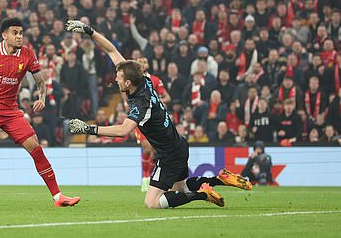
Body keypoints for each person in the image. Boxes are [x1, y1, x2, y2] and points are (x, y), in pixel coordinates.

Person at [65, 20, 252, 209]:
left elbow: (123, 130)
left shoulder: (140, 103)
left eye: (119, 77)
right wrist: (90, 31)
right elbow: (112, 51)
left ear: (128, 82)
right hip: (178, 145)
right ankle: (220, 179)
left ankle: (202, 194)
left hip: (169, 155)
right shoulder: (143, 80)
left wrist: (89, 129)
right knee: (181, 187)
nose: (116, 79)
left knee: (152, 203)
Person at [0, 18, 80, 207]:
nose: (19, 36)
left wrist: (42, 97)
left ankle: (58, 197)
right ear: (4, 35)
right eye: (14, 33)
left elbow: (40, 82)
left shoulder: (27, 55)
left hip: (10, 110)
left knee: (35, 146)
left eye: (21, 33)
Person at [133, 57, 171, 192]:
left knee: (153, 149)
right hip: (138, 119)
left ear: (148, 64)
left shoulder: (155, 80)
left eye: (144, 62)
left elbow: (167, 97)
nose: (142, 64)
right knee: (147, 148)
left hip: (152, 120)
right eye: (139, 63)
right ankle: (145, 177)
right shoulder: (133, 81)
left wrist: (155, 101)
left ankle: (148, 177)